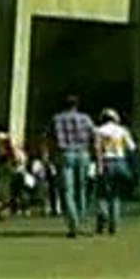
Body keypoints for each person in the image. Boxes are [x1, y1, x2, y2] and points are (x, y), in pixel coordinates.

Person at [50, 94, 95, 238]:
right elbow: (94, 136)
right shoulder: (85, 118)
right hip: (83, 153)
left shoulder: (56, 119)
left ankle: (72, 221)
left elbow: (50, 138)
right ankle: (81, 218)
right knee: (81, 188)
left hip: (65, 153)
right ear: (77, 105)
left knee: (67, 190)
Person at [93, 108, 136, 235]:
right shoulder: (122, 130)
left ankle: (103, 216)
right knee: (115, 195)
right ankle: (114, 224)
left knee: (102, 194)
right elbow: (132, 147)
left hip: (106, 162)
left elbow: (97, 149)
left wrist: (99, 165)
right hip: (120, 162)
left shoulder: (99, 131)